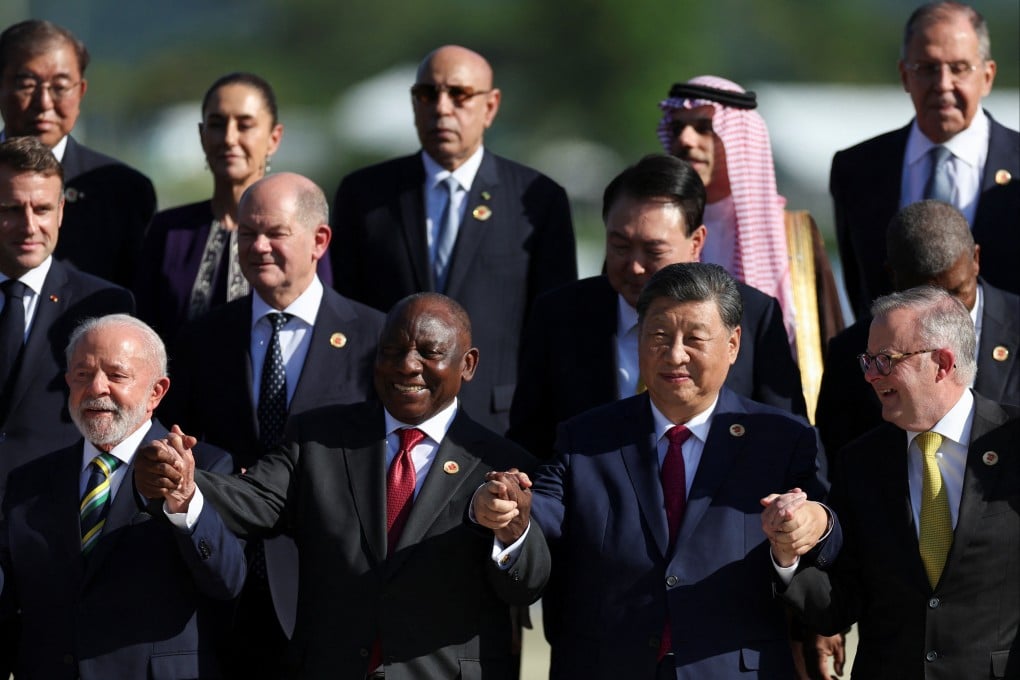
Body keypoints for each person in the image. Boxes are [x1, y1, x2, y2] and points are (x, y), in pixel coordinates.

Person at [136, 292, 550, 678]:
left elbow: (526, 585)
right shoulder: (320, 438)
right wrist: (186, 487)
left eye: (430, 353)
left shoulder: (502, 465)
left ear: (469, 364)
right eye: (392, 351)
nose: (407, 365)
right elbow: (253, 498)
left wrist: (511, 531)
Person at [484, 262, 829, 678]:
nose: (675, 355)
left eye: (695, 339)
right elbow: (543, 519)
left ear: (734, 344)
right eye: (659, 337)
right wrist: (512, 517)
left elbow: (827, 547)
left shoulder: (782, 439)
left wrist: (809, 526)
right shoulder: (587, 438)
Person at [157, 171, 384, 678]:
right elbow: (176, 435)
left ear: (318, 241)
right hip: (224, 582)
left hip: (329, 594)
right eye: (247, 233)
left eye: (275, 233)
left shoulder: (374, 339)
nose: (258, 246)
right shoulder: (202, 339)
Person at [774, 286, 1018, 679]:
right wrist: (787, 555)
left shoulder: (1013, 444)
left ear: (942, 363)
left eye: (886, 360)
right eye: (868, 361)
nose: (871, 376)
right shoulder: (861, 463)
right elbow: (840, 603)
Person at [331, 44, 576, 434]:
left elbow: (555, 329)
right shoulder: (366, 197)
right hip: (386, 419)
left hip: (497, 425)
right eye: (428, 94)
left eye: (459, 94)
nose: (442, 108)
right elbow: (345, 313)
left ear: (490, 106)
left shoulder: (536, 200)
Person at [509, 154, 805, 460]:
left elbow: (791, 440)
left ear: (696, 243)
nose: (635, 267)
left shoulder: (753, 314)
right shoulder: (560, 315)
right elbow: (529, 441)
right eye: (620, 247)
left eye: (654, 250)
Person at [0, 314, 244, 678]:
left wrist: (184, 502)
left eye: (116, 375)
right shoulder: (30, 480)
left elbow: (227, 580)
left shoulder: (207, 467)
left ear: (156, 391)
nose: (96, 387)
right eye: (82, 374)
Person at [658, 76, 845, 417]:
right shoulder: (655, 235)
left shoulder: (795, 235)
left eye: (703, 127)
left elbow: (831, 346)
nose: (685, 140)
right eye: (678, 127)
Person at [832, 2, 1019, 318]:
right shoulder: (858, 170)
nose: (943, 84)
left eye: (959, 68)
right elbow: (861, 294)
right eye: (928, 68)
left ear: (987, 76)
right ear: (905, 75)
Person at [134, 72, 332, 341]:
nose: (229, 138)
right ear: (202, 135)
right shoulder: (169, 231)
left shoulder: (302, 232)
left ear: (274, 137)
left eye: (245, 125)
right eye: (217, 124)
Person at [816, 199, 1018, 458]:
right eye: (924, 295)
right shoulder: (854, 353)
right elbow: (835, 461)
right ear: (893, 276)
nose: (946, 309)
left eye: (957, 291)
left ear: (975, 259)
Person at [0, 136, 134, 500]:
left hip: (50, 520)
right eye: (11, 209)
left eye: (41, 209)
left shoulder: (103, 304)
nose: (28, 226)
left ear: (61, 211)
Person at [0, 19, 156, 289]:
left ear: (81, 91)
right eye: (27, 84)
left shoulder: (123, 191)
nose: (44, 102)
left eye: (60, 87)